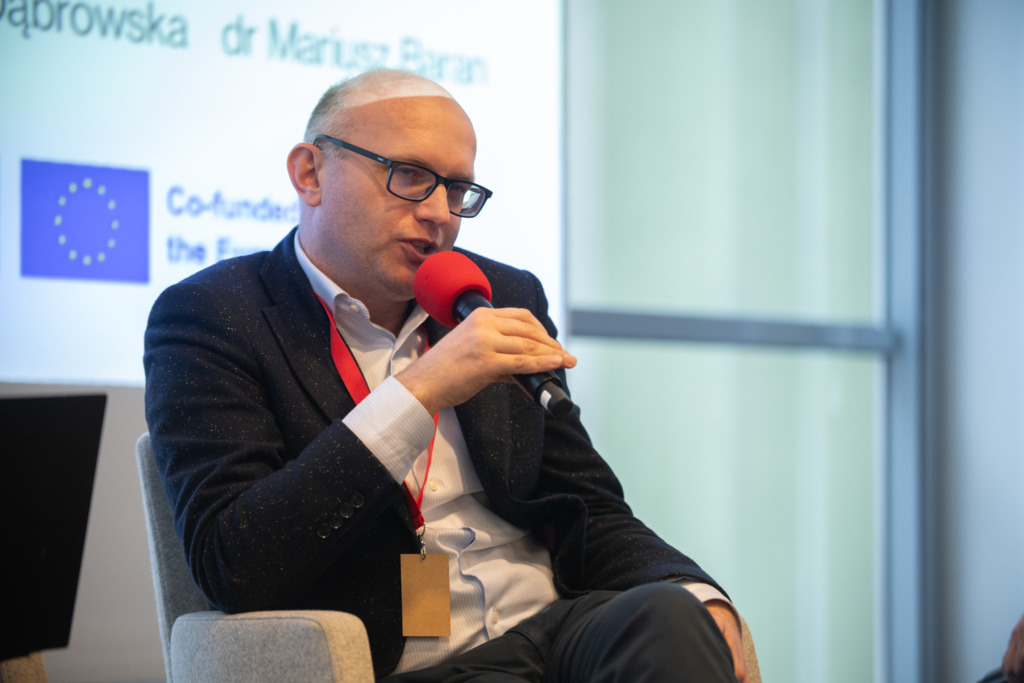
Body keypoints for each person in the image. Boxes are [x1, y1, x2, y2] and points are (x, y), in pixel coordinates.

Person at [144, 68, 747, 682]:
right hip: (412, 660)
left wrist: (694, 592)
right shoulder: (215, 315)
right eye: (409, 176)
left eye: (457, 189)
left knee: (672, 616)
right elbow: (233, 562)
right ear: (310, 173)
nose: (440, 215)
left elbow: (586, 504)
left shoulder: (498, 294)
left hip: (554, 629)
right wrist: (420, 391)